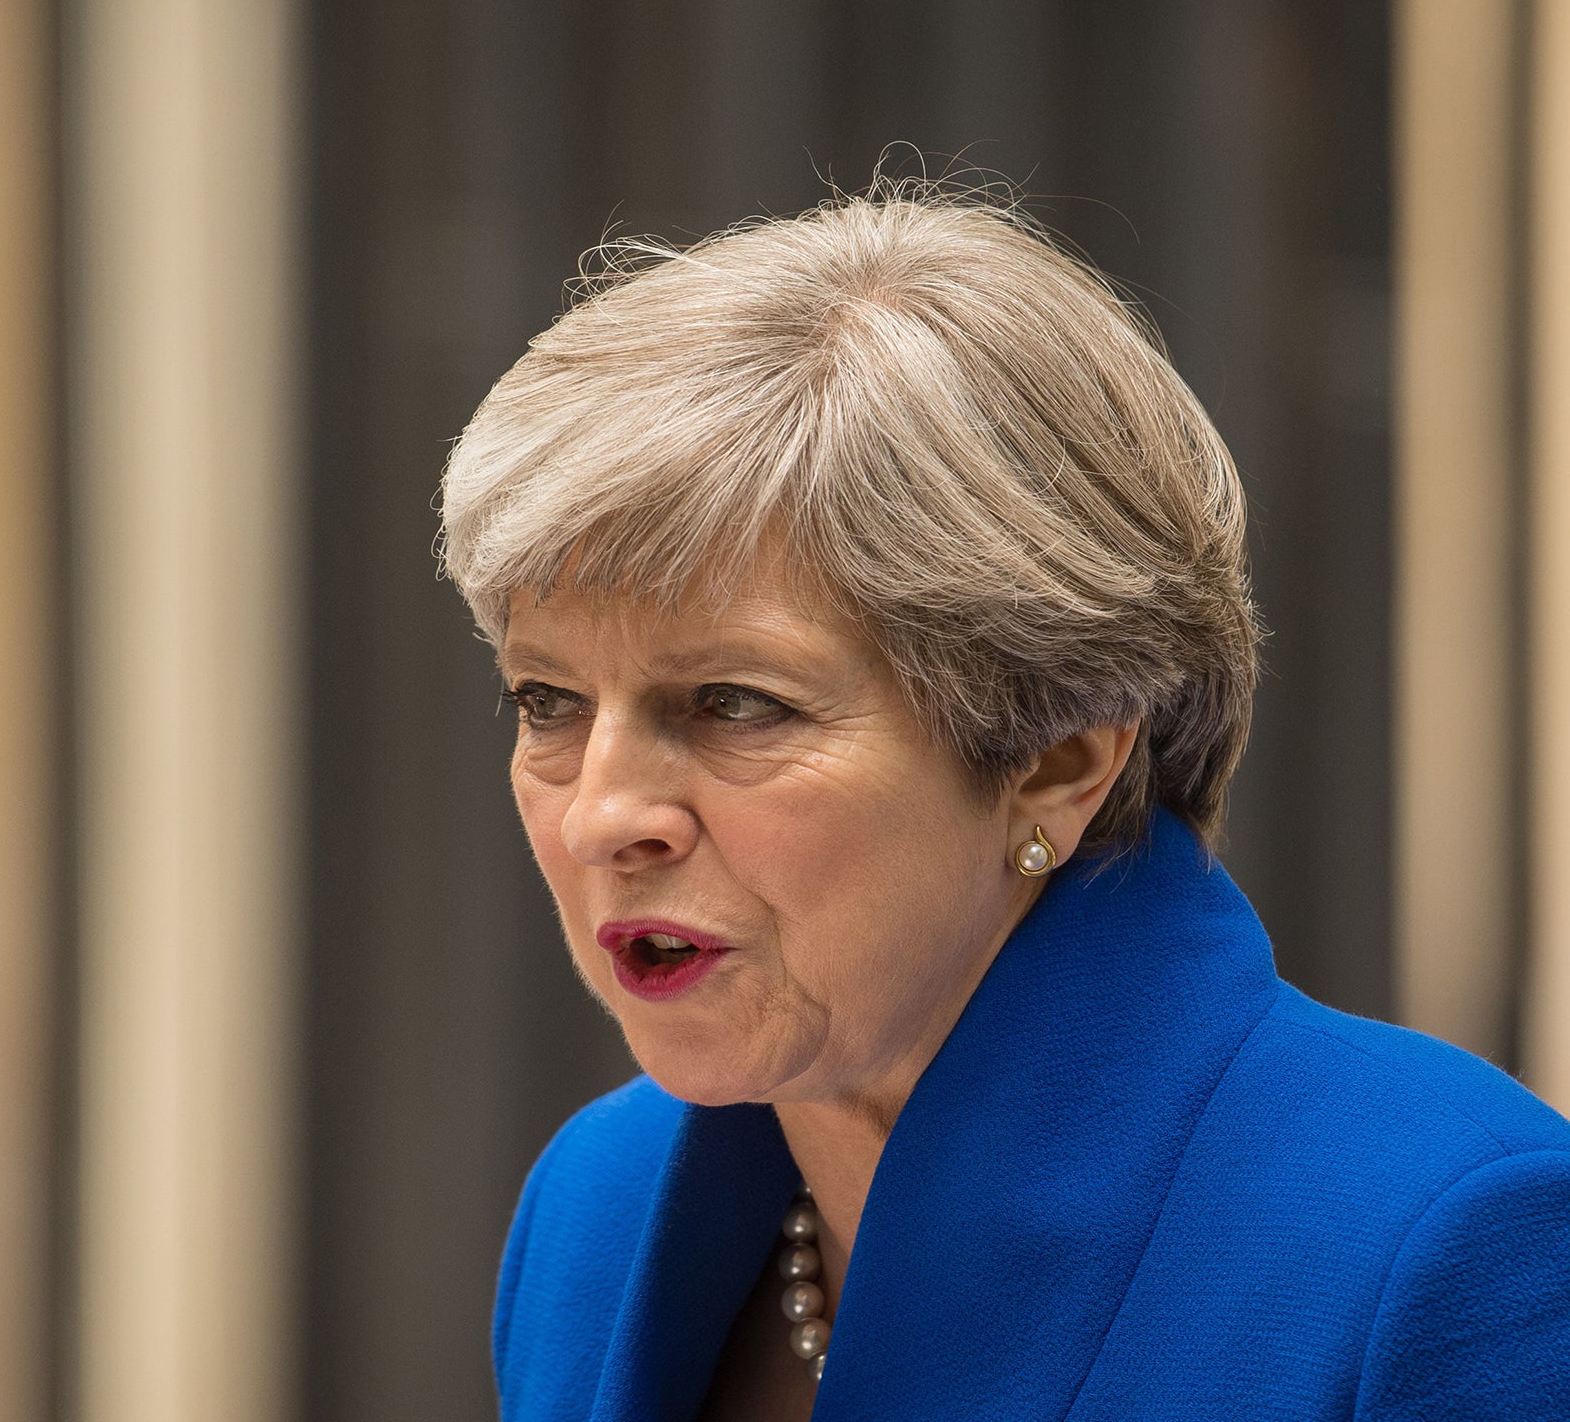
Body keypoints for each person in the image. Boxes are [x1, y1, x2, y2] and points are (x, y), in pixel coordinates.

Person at [438, 187, 1570, 1420]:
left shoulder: (1450, 1239)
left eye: (734, 704)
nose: (602, 816)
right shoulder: (593, 1205)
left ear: (1055, 759)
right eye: (546, 701)